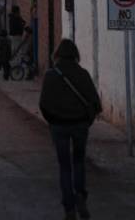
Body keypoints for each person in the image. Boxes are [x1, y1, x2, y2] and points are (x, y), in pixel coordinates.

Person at [39, 39, 102, 220]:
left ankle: (69, 207)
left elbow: (44, 104)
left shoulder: (51, 75)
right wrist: (86, 121)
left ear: (57, 55)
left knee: (64, 167)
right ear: (75, 54)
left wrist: (53, 121)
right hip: (80, 125)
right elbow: (95, 103)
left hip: (59, 126)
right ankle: (80, 195)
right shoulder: (83, 74)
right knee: (79, 162)